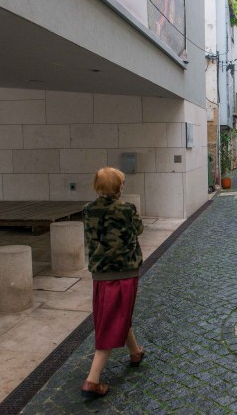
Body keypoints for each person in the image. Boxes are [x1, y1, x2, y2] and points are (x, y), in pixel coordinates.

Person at [80, 167, 145, 399]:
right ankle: (92, 380)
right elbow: (139, 229)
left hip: (100, 273)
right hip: (124, 271)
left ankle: (135, 352)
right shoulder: (126, 209)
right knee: (111, 321)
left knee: (116, 312)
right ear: (118, 187)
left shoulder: (88, 210)